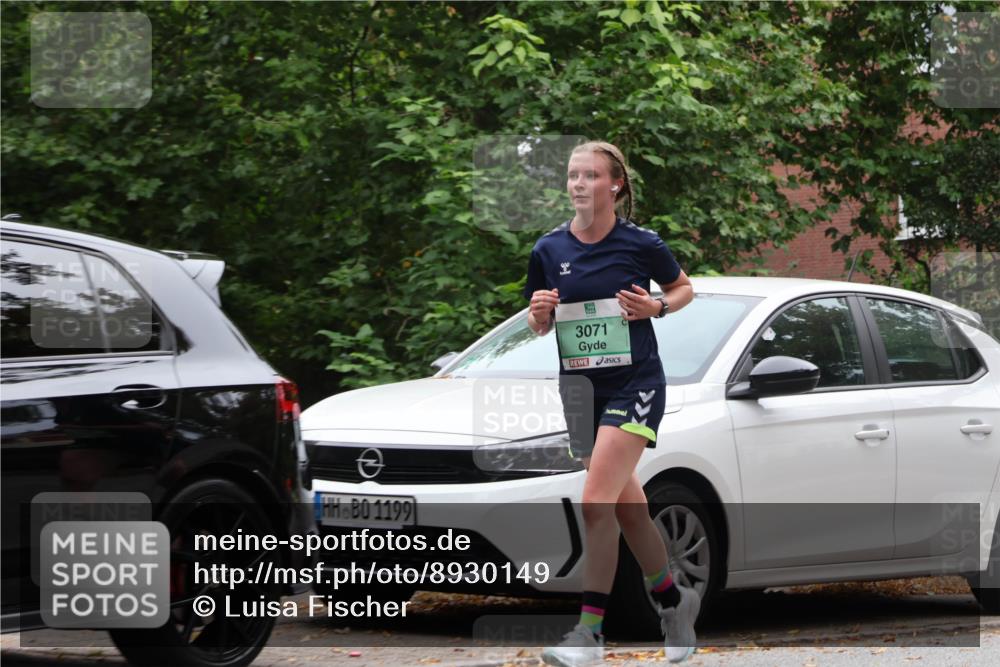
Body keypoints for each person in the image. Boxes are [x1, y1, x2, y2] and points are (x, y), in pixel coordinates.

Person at [524, 141, 699, 666]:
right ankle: (672, 600)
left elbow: (684, 288)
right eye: (573, 175)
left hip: (635, 384)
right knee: (626, 505)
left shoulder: (640, 242)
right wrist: (539, 312)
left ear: (614, 185)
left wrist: (657, 306)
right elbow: (538, 321)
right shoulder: (549, 249)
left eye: (590, 176)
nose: (578, 184)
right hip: (578, 390)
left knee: (596, 500)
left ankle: (589, 634)